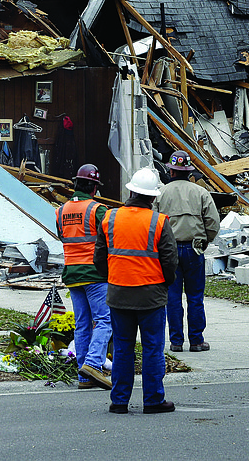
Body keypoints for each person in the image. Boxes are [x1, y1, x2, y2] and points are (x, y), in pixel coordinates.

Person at [94, 167, 178, 415]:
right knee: (152, 348)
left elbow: (99, 257)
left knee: (122, 348)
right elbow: (170, 260)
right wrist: (165, 284)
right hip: (151, 295)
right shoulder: (158, 222)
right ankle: (153, 400)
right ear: (153, 197)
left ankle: (119, 401)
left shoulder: (110, 218)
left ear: (130, 190)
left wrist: (112, 278)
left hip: (119, 293)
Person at [154, 150, 220, 353]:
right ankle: (197, 341)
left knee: (172, 298)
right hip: (194, 249)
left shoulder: (161, 193)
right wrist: (205, 241)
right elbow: (213, 222)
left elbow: (153, 223)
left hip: (169, 251)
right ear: (189, 172)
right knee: (195, 296)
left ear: (171, 171)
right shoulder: (201, 193)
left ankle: (176, 342)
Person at [56, 164, 112, 390]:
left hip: (72, 274)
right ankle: (93, 363)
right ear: (94, 188)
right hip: (95, 273)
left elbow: (63, 237)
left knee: (82, 325)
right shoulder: (97, 209)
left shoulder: (61, 211)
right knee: (105, 320)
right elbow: (109, 238)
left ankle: (84, 378)